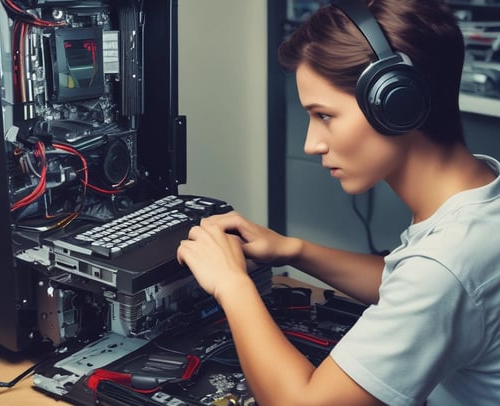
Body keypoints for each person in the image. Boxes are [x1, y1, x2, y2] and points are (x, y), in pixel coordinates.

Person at [176, 0, 500, 405]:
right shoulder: (480, 197)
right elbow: (403, 283)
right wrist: (294, 250)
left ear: (398, 103)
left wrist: (232, 285)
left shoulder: (447, 266)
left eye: (324, 115)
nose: (312, 143)